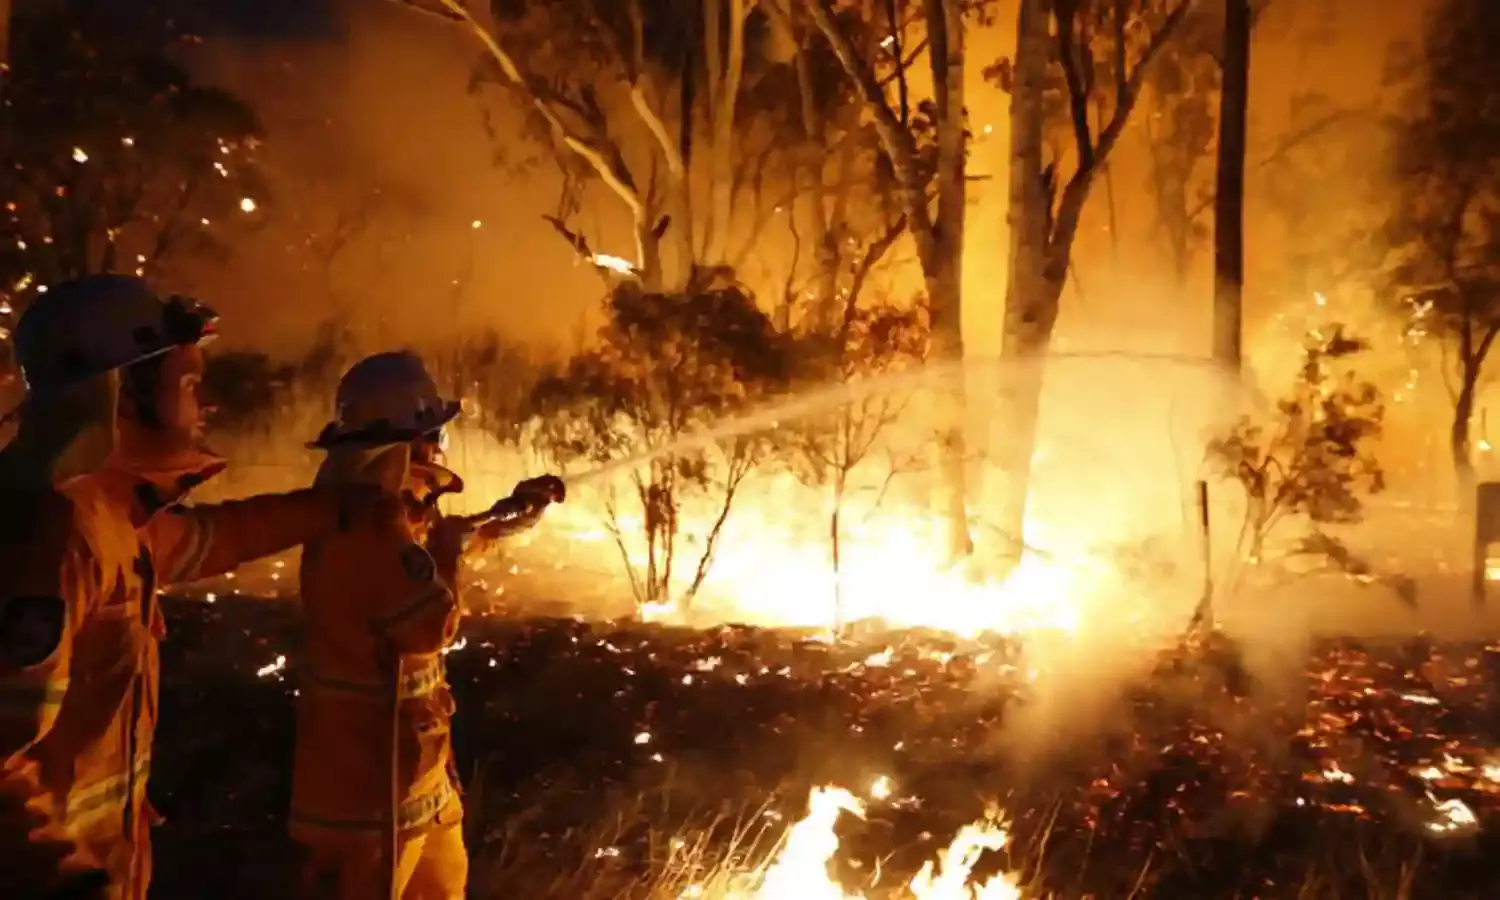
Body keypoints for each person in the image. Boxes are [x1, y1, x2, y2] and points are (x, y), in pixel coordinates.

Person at [0, 275, 400, 900]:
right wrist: (65, 882)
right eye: (188, 385)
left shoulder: (108, 514)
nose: (205, 404)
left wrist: (338, 507)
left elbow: (213, 538)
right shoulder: (58, 538)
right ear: (119, 396)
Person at [289, 351, 563, 900]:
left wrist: (514, 514)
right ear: (411, 441)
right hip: (367, 795)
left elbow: (443, 540)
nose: (440, 444)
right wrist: (453, 553)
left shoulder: (394, 508)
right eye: (434, 431)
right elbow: (431, 623)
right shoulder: (364, 527)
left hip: (416, 775)